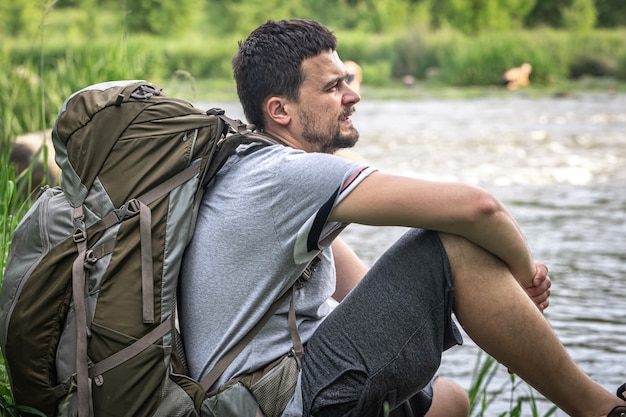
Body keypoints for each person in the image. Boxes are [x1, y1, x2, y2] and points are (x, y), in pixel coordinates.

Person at [179, 19, 626, 417]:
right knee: (455, 243)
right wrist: (526, 279)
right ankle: (602, 409)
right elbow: (478, 208)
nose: (352, 96)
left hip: (258, 395)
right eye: (333, 87)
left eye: (347, 81)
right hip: (286, 399)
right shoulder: (287, 175)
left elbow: (365, 288)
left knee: (450, 399)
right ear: (280, 111)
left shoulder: (250, 170)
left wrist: (514, 327)